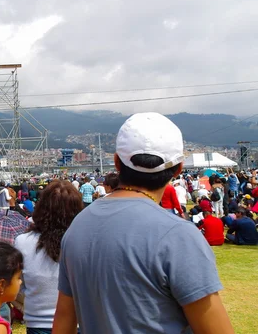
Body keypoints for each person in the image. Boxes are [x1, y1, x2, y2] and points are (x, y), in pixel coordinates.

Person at [53, 112, 233, 334]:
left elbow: (63, 319)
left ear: (117, 162)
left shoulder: (78, 225)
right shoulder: (178, 234)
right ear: (178, 169)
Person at [15, 180, 83, 334]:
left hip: (37, 321)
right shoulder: (87, 240)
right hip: (79, 321)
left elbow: (17, 284)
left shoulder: (23, 241)